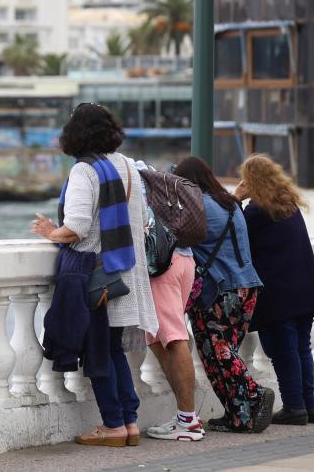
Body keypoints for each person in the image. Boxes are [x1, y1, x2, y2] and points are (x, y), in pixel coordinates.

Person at [32, 103, 157, 447]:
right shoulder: (128, 166)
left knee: (100, 351)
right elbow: (142, 216)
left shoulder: (85, 171)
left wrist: (50, 232)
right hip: (125, 271)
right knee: (114, 349)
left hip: (95, 275)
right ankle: (128, 422)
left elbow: (77, 226)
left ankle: (114, 424)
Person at [172, 156, 274, 433]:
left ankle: (255, 393)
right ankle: (239, 417)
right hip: (248, 287)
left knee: (217, 353)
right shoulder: (229, 204)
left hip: (219, 290)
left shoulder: (199, 207)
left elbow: (174, 238)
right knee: (225, 353)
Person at [234, 154, 314, 425]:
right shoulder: (289, 205)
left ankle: (295, 407)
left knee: (284, 351)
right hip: (304, 291)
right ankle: (310, 405)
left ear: (252, 181)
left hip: (278, 296)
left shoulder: (256, 211)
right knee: (301, 348)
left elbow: (235, 235)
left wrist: (235, 199)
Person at [135, 161, 204, 442]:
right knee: (157, 337)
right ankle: (184, 418)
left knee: (174, 338)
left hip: (163, 263)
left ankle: (188, 422)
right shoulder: (152, 173)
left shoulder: (134, 178)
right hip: (185, 258)